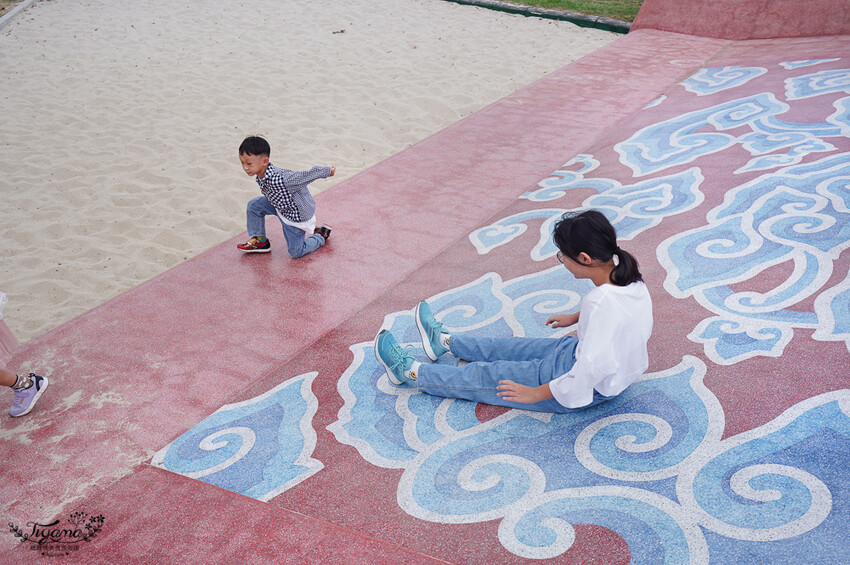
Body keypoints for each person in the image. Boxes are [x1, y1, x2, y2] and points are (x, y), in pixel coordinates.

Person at [374, 210, 653, 413]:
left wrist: (537, 393)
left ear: (584, 259)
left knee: (487, 377)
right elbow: (617, 313)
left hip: (581, 383)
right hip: (594, 362)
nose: (562, 261)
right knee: (516, 347)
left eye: (562, 256)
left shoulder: (599, 302)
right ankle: (445, 343)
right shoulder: (626, 274)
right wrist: (578, 317)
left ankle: (410, 373)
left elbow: (589, 371)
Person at [236, 136, 335, 258]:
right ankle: (260, 241)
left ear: (265, 161)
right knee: (254, 206)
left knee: (296, 252)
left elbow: (305, 176)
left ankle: (320, 236)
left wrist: (327, 171)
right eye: (242, 162)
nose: (245, 167)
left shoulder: (282, 178)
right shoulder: (261, 174)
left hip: (295, 216)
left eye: (249, 164)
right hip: (279, 206)